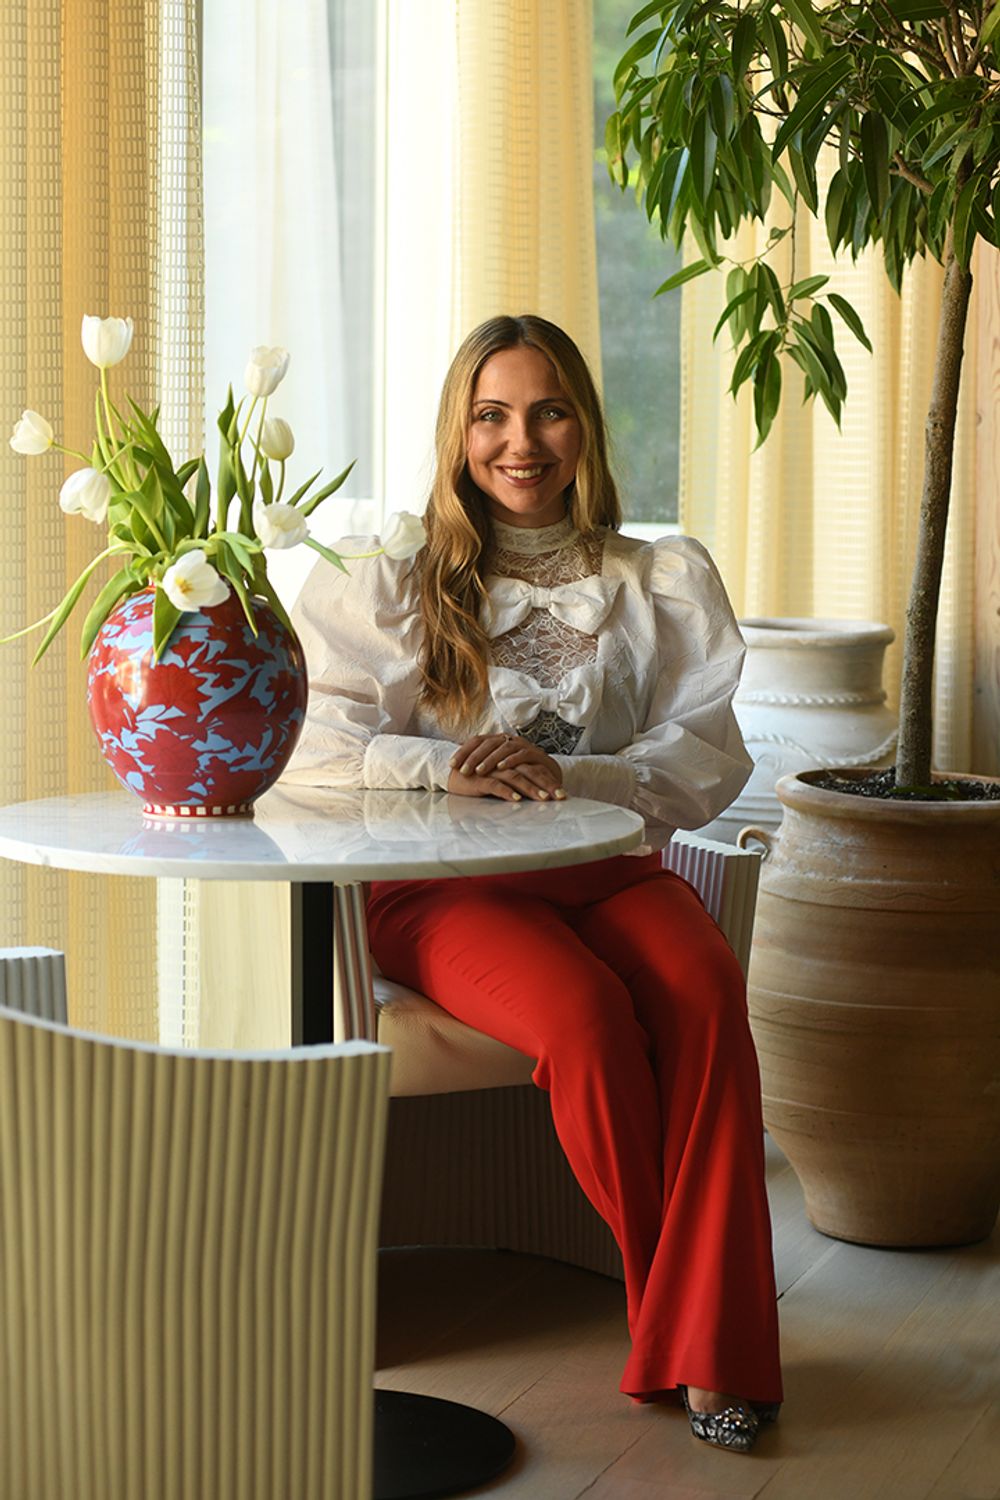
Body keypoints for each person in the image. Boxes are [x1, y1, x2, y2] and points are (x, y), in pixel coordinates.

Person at [282, 313, 783, 1453]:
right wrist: (445, 766)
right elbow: (311, 745)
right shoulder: (394, 571)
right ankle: (705, 1344)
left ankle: (695, 1337)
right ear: (459, 432)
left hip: (607, 871)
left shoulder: (656, 576)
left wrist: (572, 774)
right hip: (444, 889)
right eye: (493, 415)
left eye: (548, 411)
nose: (522, 442)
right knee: (587, 1016)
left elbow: (705, 757)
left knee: (707, 995)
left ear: (584, 425)